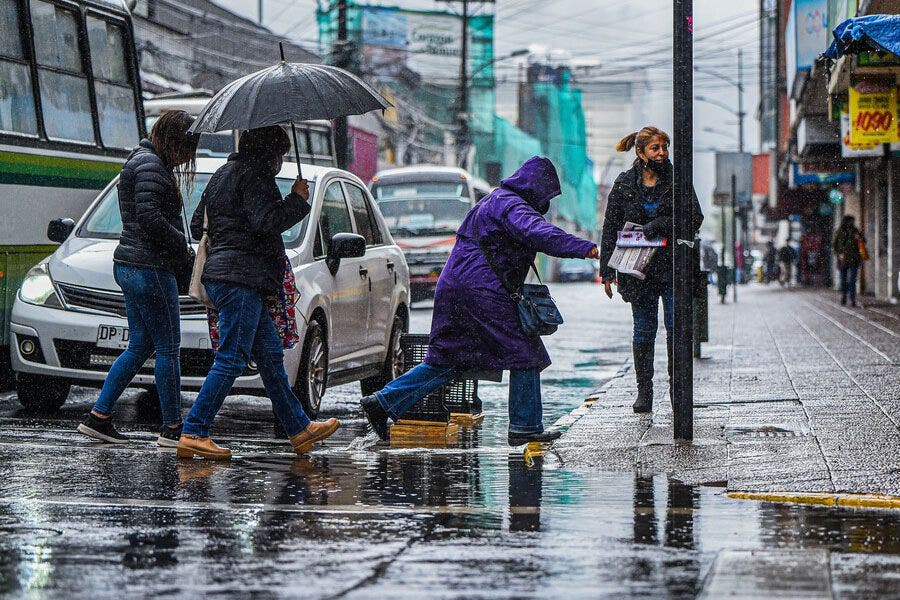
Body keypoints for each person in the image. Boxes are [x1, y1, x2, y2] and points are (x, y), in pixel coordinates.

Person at [358, 156, 599, 445]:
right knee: (526, 353)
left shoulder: (494, 200)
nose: (545, 204)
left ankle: (383, 402)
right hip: (481, 291)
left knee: (449, 358)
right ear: (536, 188)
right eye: (546, 196)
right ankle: (524, 427)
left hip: (456, 288)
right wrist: (587, 248)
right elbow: (540, 233)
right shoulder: (512, 206)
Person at [177, 126, 340, 460]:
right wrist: (297, 200)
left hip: (226, 276)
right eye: (280, 154)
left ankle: (298, 428)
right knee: (232, 358)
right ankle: (194, 430)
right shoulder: (256, 175)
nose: (280, 161)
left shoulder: (223, 174)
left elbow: (198, 224)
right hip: (241, 279)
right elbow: (265, 222)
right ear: (270, 153)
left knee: (269, 357)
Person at [77, 110, 199, 446]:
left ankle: (98, 417)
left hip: (131, 265)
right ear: (174, 141)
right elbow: (149, 217)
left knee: (140, 345)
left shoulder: (142, 161)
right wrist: (181, 244)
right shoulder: (150, 166)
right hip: (151, 268)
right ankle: (173, 429)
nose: (187, 157)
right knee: (168, 349)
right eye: (186, 148)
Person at [598, 126, 703, 414]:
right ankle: (645, 392)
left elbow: (695, 217)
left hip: (672, 268)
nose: (662, 153)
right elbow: (610, 229)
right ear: (641, 152)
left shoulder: (678, 179)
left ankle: (676, 391)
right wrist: (606, 272)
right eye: (656, 148)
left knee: (675, 329)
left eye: (664, 147)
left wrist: (660, 226)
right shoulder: (623, 184)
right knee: (643, 330)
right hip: (636, 271)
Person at [833, 215, 863, 306]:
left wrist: (859, 238)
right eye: (851, 221)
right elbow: (834, 245)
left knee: (852, 280)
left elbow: (863, 242)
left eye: (853, 221)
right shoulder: (839, 231)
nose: (852, 223)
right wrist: (838, 254)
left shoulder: (856, 231)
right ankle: (844, 296)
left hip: (854, 259)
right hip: (843, 259)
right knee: (843, 280)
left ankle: (853, 299)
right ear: (846, 221)